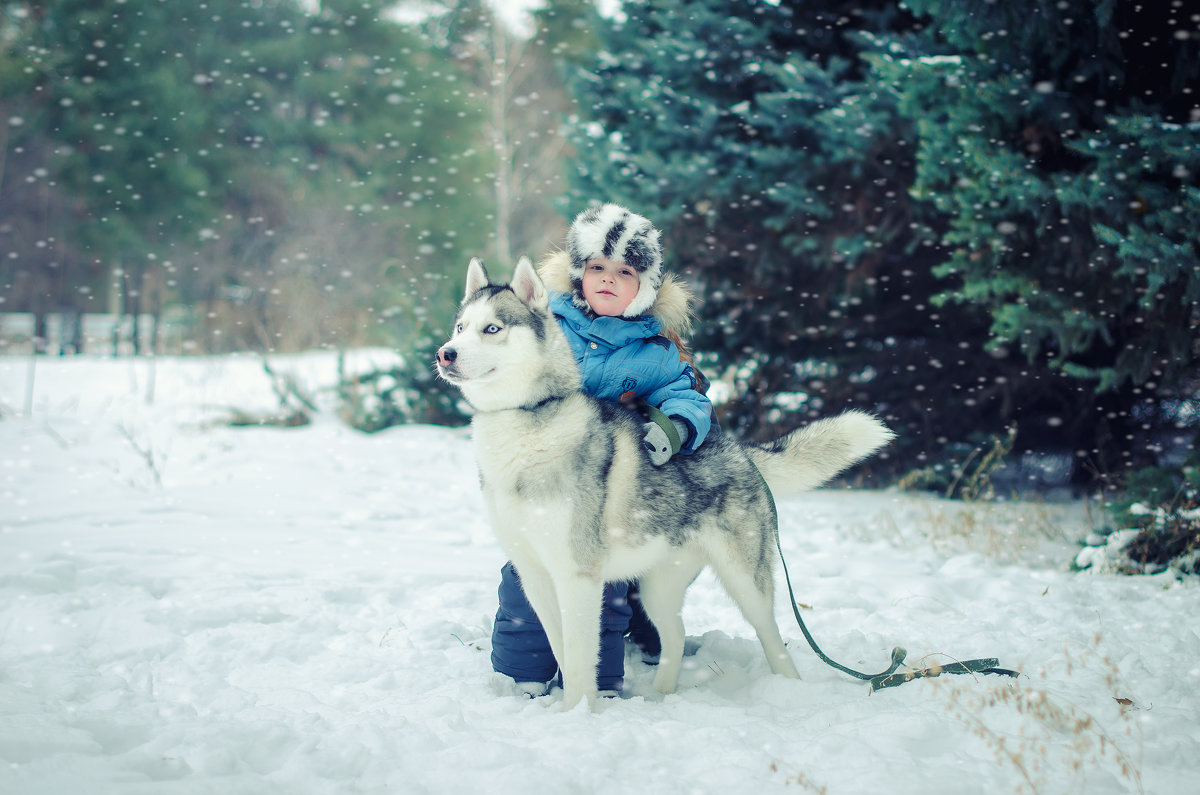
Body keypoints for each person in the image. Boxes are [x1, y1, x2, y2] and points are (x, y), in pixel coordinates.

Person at [490, 203, 713, 696]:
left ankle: (612, 661)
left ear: (646, 286)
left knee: (607, 582)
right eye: (596, 268)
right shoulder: (551, 325)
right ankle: (523, 666)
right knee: (526, 577)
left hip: (613, 488)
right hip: (547, 476)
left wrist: (673, 425)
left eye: (624, 272)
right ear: (578, 274)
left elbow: (686, 394)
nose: (607, 279)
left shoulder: (657, 349)